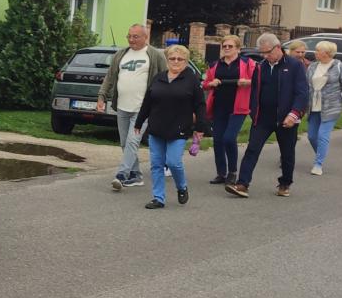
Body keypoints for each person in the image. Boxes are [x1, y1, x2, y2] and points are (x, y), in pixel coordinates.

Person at [226, 33, 308, 198]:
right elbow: (255, 91)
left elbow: (302, 93)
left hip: (286, 118)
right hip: (263, 117)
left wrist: (294, 113)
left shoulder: (294, 65)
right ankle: (242, 184)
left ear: (277, 48)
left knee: (287, 153)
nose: (264, 56)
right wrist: (253, 110)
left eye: (267, 52)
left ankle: (285, 183)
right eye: (261, 53)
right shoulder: (260, 67)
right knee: (252, 149)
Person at [96, 24, 167, 192]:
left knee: (132, 141)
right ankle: (136, 175)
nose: (131, 40)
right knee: (124, 143)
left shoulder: (155, 55)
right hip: (122, 107)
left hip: (143, 109)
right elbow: (109, 77)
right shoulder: (121, 54)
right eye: (129, 36)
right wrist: (101, 96)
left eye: (135, 36)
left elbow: (165, 78)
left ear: (145, 37)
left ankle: (122, 175)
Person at [135, 45, 207, 209]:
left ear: (186, 61)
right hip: (157, 127)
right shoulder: (158, 78)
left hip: (179, 128)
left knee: (173, 162)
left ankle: (182, 187)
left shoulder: (191, 80)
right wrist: (139, 122)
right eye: (172, 58)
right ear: (167, 60)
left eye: (180, 59)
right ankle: (158, 198)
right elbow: (148, 101)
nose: (175, 61)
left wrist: (200, 128)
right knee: (156, 164)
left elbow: (200, 106)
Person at [203, 35, 254, 185]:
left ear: (238, 48)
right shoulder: (215, 65)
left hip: (238, 107)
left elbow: (258, 80)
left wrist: (247, 82)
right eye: (224, 46)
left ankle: (232, 172)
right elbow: (205, 84)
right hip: (219, 106)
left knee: (229, 138)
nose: (226, 48)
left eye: (230, 46)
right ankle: (221, 173)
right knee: (218, 140)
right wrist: (211, 83)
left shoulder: (247, 63)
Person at [304, 40, 342, 175]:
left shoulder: (340, 67)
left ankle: (318, 164)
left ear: (326, 53)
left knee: (322, 135)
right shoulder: (312, 66)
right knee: (312, 136)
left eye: (318, 50)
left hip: (331, 106)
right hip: (313, 106)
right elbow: (306, 87)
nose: (315, 53)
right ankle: (321, 154)